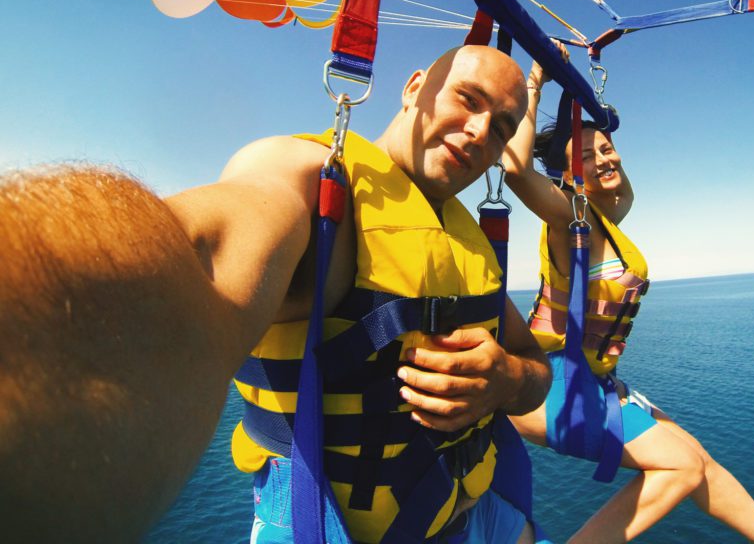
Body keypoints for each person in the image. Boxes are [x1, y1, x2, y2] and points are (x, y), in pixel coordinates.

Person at [0, 45, 552, 544]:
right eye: (467, 98)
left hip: (476, 519)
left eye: (503, 126)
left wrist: (506, 376)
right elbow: (205, 249)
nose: (482, 132)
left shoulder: (468, 239)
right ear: (413, 89)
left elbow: (534, 369)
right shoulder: (316, 183)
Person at [502, 47, 754, 544]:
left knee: (700, 461)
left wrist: (584, 104)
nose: (605, 159)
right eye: (588, 157)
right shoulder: (573, 215)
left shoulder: (612, 217)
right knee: (678, 467)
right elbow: (514, 169)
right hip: (550, 385)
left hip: (592, 381)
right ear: (569, 176)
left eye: (608, 149)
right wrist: (536, 83)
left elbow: (620, 183)